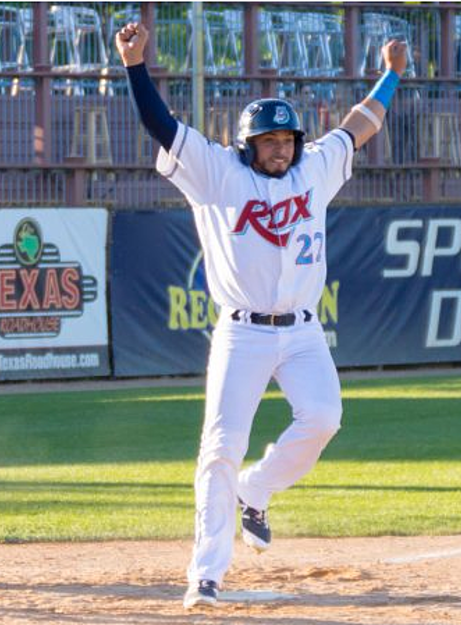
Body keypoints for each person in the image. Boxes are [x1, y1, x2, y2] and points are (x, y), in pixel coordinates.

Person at [114, 21, 407, 610]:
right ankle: (206, 574)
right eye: (270, 141)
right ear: (249, 144)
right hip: (241, 332)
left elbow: (359, 125)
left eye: (288, 139)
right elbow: (161, 126)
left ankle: (258, 488)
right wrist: (134, 65)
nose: (282, 148)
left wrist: (393, 75)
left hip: (302, 331)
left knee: (324, 417)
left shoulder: (314, 169)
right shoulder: (217, 172)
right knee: (220, 447)